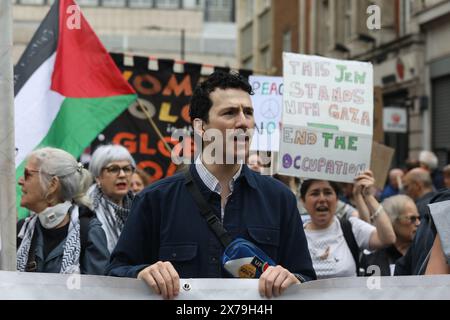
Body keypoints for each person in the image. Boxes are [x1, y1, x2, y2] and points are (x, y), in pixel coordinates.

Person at [106, 71, 316, 299]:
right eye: (230, 113)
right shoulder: (155, 200)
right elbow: (114, 274)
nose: (243, 122)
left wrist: (292, 280)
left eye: (248, 112)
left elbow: (305, 280)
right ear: (200, 127)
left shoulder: (279, 199)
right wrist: (142, 273)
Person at [16, 147, 109, 274]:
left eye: (28, 175)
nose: (20, 181)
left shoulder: (89, 233)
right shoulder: (21, 230)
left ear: (52, 184)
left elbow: (97, 291)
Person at [301, 171, 396, 279]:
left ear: (337, 200)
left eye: (328, 193)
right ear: (303, 201)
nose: (322, 199)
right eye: (315, 193)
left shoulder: (351, 227)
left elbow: (388, 238)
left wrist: (368, 196)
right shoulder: (295, 234)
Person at [88, 144, 136, 253]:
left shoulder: (142, 206)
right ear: (98, 176)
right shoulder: (87, 211)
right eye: (113, 169)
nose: (122, 175)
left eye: (127, 169)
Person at [360, 195, 420, 276]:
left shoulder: (423, 250)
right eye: (412, 218)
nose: (418, 223)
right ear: (392, 220)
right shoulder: (373, 257)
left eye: (418, 218)